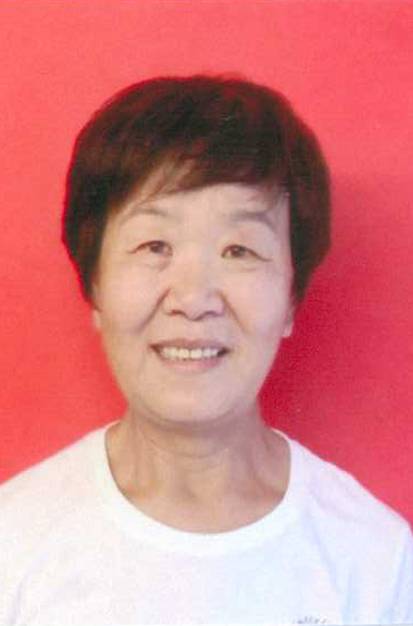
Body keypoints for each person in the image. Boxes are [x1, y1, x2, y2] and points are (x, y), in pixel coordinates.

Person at [1, 74, 412, 626]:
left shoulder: (374, 561)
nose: (194, 299)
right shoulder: (15, 544)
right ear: (94, 288)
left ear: (291, 298)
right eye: (154, 245)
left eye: (239, 250)